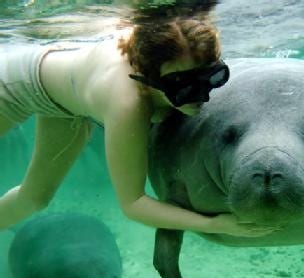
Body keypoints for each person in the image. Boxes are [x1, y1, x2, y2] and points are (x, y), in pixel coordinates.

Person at [0, 13, 277, 237]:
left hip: (65, 103)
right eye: (183, 87)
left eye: (212, 77)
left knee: (34, 199)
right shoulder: (127, 104)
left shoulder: (161, 53)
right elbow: (133, 205)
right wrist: (213, 224)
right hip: (12, 84)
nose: (202, 95)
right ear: (147, 79)